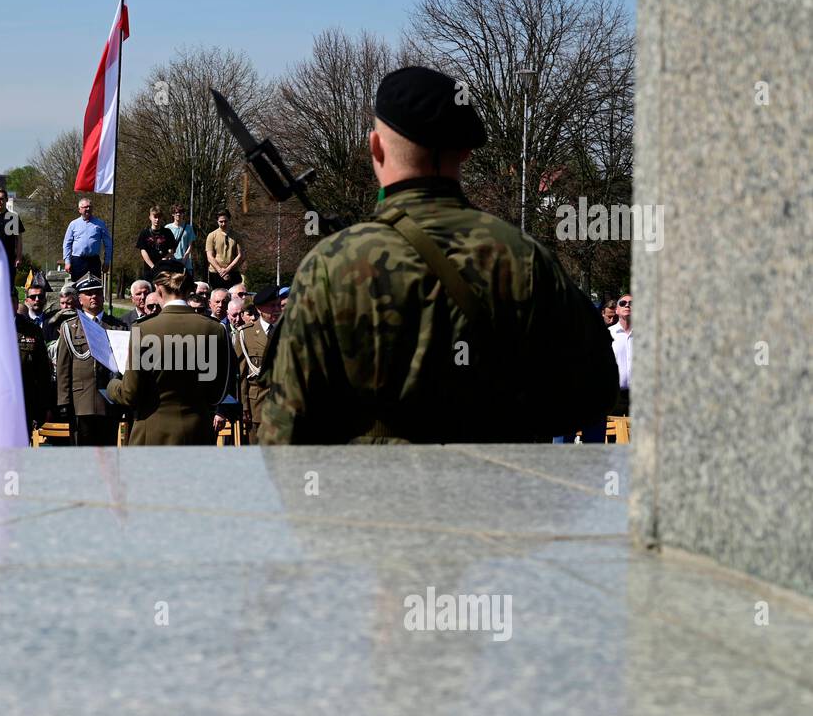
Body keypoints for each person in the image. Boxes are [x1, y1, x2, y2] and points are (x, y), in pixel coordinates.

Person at [261, 65, 617, 444]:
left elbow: (285, 432)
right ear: (464, 150)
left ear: (375, 148)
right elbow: (594, 394)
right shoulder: (525, 257)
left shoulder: (333, 262)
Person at [107, 260, 233, 445]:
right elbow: (218, 393)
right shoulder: (215, 329)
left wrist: (112, 386)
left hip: (152, 433)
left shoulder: (143, 329)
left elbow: (130, 394)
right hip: (198, 432)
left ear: (158, 289)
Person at [54, 274, 128, 446]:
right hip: (81, 401)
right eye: (88, 293)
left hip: (109, 400)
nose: (93, 296)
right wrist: (63, 401)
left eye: (97, 292)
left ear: (103, 296)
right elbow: (64, 368)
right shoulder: (70, 328)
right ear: (80, 299)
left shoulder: (117, 327)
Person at [234, 286, 282, 444]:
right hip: (258, 406)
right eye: (272, 306)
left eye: (278, 305)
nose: (276, 310)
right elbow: (241, 375)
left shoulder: (288, 330)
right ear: (260, 308)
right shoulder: (246, 334)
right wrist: (244, 407)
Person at [14, 293, 53, 433]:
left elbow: (43, 372)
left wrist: (45, 406)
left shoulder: (32, 329)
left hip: (25, 404)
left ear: (16, 303)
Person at [62, 198, 112, 283]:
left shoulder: (100, 224)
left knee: (94, 287)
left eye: (90, 207)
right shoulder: (73, 224)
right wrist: (67, 262)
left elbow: (108, 244)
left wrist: (107, 261)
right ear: (79, 209)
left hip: (94, 261)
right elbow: (67, 244)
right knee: (77, 288)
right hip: (78, 261)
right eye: (85, 207)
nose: (88, 209)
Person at [204, 210, 243, 289]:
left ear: (229, 220)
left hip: (233, 272)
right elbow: (209, 256)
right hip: (215, 273)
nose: (223, 224)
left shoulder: (237, 236)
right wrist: (220, 270)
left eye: (225, 221)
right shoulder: (211, 236)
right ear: (217, 221)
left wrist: (228, 269)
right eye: (221, 221)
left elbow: (240, 255)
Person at [609, 293, 632, 416]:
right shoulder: (608, 334)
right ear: (617, 310)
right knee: (613, 434)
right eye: (623, 303)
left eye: (631, 304)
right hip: (614, 396)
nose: (627, 305)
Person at [136, 206, 172, 282]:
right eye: (155, 217)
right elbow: (143, 251)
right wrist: (153, 266)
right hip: (149, 270)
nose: (157, 219)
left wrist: (166, 258)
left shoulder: (167, 232)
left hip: (164, 270)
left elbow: (172, 249)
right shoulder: (144, 233)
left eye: (159, 217)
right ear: (150, 217)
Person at [166, 204, 198, 274]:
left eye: (180, 212)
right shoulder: (167, 228)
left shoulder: (189, 228)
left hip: (186, 263)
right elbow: (165, 245)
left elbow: (190, 246)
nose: (178, 214)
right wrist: (170, 255)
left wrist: (184, 259)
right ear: (172, 214)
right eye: (176, 212)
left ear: (183, 214)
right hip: (171, 262)